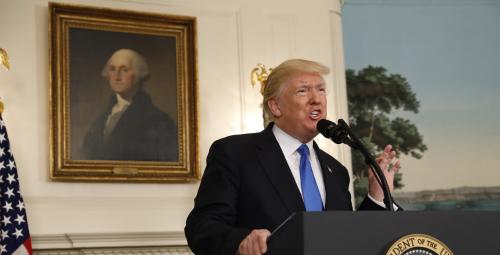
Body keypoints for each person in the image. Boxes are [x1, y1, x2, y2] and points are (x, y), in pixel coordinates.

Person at [184, 59, 401, 255]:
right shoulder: (235, 153)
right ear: (276, 106)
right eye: (303, 91)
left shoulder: (336, 171)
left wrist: (377, 197)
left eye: (321, 90)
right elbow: (201, 227)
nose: (316, 99)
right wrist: (240, 242)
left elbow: (351, 237)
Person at [81, 48, 178, 161]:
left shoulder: (159, 121)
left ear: (138, 75)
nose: (116, 77)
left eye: (124, 70)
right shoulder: (99, 121)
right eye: (112, 69)